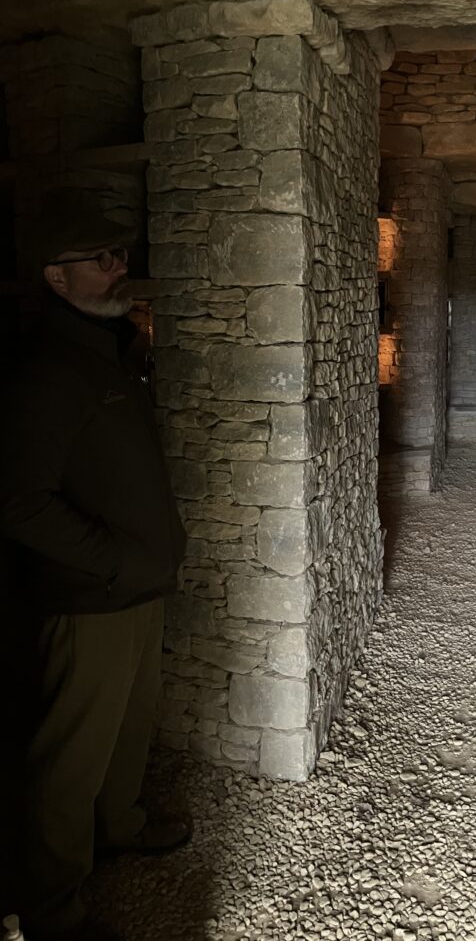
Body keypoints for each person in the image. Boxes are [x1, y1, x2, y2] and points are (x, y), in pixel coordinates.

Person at [0, 189, 189, 941]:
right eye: (101, 258)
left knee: (129, 728)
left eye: (120, 255)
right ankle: (54, 909)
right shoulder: (46, 373)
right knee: (72, 756)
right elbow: (19, 502)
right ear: (55, 279)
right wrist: (109, 563)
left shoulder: (108, 356)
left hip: (136, 586)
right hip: (92, 598)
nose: (119, 268)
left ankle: (121, 825)